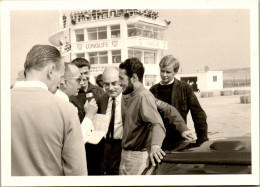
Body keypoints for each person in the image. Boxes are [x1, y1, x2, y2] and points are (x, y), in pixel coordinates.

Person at [11, 45, 87, 176]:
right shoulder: (65, 110)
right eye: (61, 75)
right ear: (51, 70)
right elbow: (77, 173)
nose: (59, 83)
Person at [118, 58, 166, 175]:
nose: (119, 82)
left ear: (134, 78)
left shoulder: (143, 96)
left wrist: (155, 146)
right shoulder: (131, 95)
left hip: (137, 158)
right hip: (128, 156)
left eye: (121, 78)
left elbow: (157, 124)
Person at [150, 55, 208, 145]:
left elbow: (198, 114)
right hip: (159, 140)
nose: (164, 75)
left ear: (175, 72)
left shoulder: (185, 88)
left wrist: (202, 139)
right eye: (162, 71)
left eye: (168, 72)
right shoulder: (153, 90)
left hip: (179, 139)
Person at [70, 57, 105, 175]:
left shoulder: (100, 92)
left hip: (98, 146)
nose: (83, 77)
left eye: (86, 73)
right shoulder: (71, 94)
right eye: (80, 74)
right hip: (79, 144)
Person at [55, 63, 98, 144]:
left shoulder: (58, 101)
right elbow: (76, 141)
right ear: (64, 81)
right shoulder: (63, 106)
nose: (81, 83)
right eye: (78, 79)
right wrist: (89, 115)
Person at [95, 67, 123, 175]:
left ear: (120, 81)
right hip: (106, 147)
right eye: (106, 84)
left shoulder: (130, 99)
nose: (110, 88)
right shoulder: (102, 99)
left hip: (122, 147)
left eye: (114, 83)